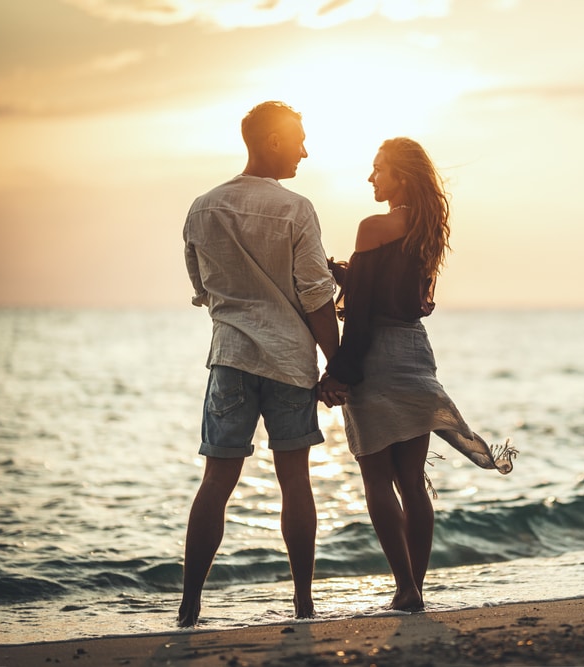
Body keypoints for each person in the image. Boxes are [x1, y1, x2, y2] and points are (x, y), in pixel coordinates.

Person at [319, 137, 516, 612]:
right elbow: (395, 296)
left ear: (401, 177)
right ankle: (415, 591)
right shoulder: (426, 231)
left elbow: (361, 316)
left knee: (376, 479)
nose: (371, 178)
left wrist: (337, 373)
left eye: (379, 169)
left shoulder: (372, 227)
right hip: (414, 352)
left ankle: (404, 586)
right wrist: (346, 274)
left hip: (375, 356)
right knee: (410, 481)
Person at [179, 100, 345, 627]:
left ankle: (189, 606)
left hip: (230, 358)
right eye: (298, 140)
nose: (304, 152)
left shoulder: (202, 208)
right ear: (272, 141)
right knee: (295, 480)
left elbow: (202, 288)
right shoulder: (296, 209)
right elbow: (316, 294)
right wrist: (336, 364)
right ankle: (303, 603)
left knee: (216, 482)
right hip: (289, 362)